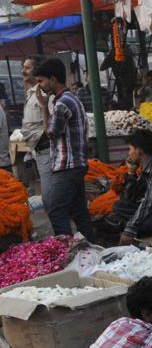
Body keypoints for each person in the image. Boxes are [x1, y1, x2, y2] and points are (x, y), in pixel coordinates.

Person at [35, 58, 92, 238]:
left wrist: (43, 107)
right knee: (78, 211)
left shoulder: (62, 103)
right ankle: (90, 249)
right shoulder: (69, 98)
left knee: (55, 208)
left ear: (53, 79)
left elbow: (50, 133)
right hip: (76, 164)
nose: (40, 86)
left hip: (68, 166)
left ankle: (65, 248)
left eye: (41, 81)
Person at [21, 57, 54, 207]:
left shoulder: (45, 95)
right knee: (49, 197)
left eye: (27, 68)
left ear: (36, 71)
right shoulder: (31, 94)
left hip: (47, 152)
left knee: (49, 199)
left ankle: (62, 229)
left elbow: (53, 126)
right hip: (39, 153)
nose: (23, 71)